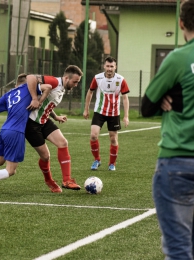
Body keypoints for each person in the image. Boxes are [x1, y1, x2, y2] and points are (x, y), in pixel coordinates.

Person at [141, 0, 194, 258]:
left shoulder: (178, 58)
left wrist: (173, 96)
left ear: (181, 23)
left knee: (180, 250)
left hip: (178, 162)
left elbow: (147, 106)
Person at [25, 65, 83, 193]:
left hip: (44, 121)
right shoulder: (55, 82)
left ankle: (67, 180)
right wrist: (34, 98)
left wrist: (56, 117)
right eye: (75, 82)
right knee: (45, 156)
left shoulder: (61, 88)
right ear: (67, 78)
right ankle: (49, 181)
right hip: (32, 124)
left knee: (63, 143)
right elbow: (30, 77)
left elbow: (47, 105)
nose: (76, 85)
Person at [83, 56, 130, 171]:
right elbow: (90, 93)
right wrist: (86, 109)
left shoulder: (121, 79)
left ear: (115, 67)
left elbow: (125, 98)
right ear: (104, 66)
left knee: (113, 138)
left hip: (114, 113)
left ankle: (112, 164)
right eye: (107, 66)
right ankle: (97, 160)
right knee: (93, 135)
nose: (109, 69)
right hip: (99, 111)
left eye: (112, 66)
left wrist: (126, 116)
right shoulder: (97, 78)